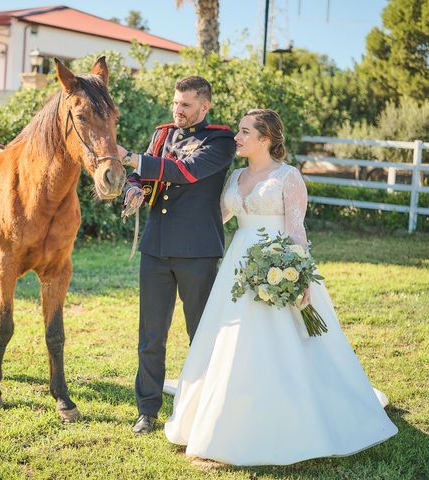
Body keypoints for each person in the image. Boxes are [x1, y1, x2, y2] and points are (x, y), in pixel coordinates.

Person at [163, 109, 398, 465]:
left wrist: (299, 277)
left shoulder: (289, 177)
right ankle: (223, 418)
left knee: (283, 345)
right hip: (236, 271)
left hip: (277, 263)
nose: (236, 138)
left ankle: (295, 417)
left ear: (266, 138)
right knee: (232, 344)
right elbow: (217, 217)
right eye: (238, 132)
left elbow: (296, 231)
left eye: (244, 132)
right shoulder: (235, 175)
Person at [116, 76, 236, 434]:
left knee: (200, 333)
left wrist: (129, 156)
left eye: (185, 105)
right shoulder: (163, 134)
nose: (178, 110)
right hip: (156, 247)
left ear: (204, 106)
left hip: (197, 250)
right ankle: (147, 410)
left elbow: (185, 171)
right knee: (151, 335)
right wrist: (134, 187)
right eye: (175, 103)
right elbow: (145, 172)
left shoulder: (221, 140)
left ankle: (206, 407)